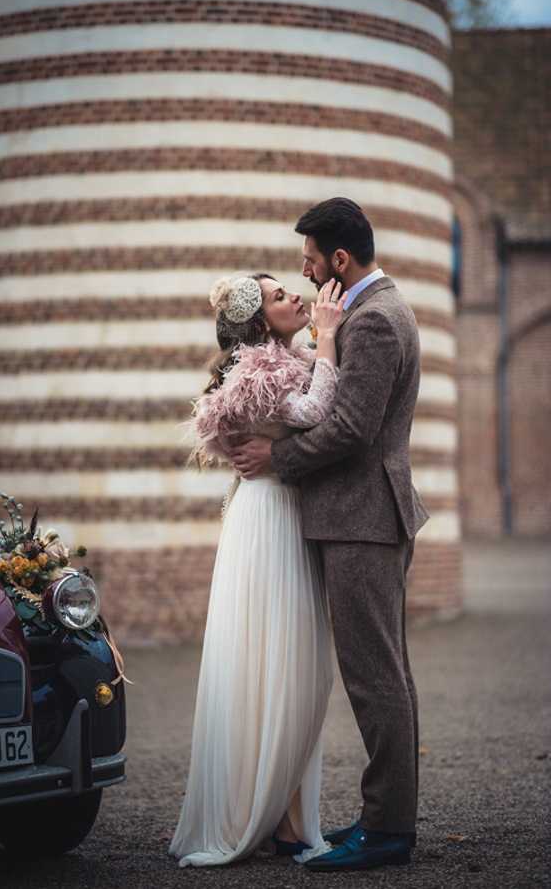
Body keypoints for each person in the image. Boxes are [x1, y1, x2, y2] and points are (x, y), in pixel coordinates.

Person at [231, 198, 430, 872]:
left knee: (375, 677)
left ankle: (386, 832)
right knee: (385, 672)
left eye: (310, 260)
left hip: (362, 519)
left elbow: (350, 429)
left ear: (339, 259)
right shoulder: (379, 310)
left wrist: (276, 460)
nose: (306, 271)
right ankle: (385, 818)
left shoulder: (374, 322)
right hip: (365, 516)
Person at [168, 271, 348, 867]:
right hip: (269, 521)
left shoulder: (277, 361)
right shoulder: (259, 372)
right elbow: (317, 409)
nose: (295, 296)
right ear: (258, 322)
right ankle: (277, 821)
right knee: (280, 663)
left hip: (278, 512)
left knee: (291, 666)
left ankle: (288, 818)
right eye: (279, 297)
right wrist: (328, 338)